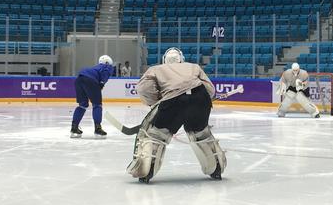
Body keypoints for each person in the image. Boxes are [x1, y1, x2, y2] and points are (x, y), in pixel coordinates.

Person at [127, 47, 225, 184]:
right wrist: (202, 101)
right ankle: (216, 167)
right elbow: (210, 89)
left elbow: (143, 88)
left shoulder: (156, 69)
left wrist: (156, 101)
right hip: (200, 98)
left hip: (173, 101)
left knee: (156, 135)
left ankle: (147, 170)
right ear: (181, 59)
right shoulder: (194, 67)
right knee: (200, 133)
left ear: (164, 60)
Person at [70, 55, 113, 138]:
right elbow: (105, 74)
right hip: (91, 80)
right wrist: (101, 83)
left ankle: (74, 127)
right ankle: (98, 128)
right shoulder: (107, 66)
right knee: (97, 105)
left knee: (82, 105)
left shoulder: (95, 67)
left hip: (79, 79)